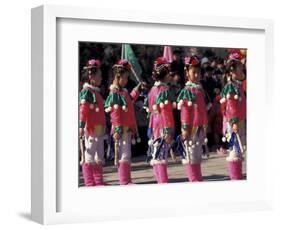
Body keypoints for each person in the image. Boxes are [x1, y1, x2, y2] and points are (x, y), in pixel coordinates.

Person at [104, 59, 142, 185]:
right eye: (125, 78)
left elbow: (130, 99)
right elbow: (115, 113)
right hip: (120, 130)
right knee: (123, 155)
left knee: (126, 154)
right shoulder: (114, 93)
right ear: (117, 76)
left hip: (127, 128)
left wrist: (137, 89)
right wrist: (118, 129)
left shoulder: (123, 91)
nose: (126, 81)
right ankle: (124, 181)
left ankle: (127, 180)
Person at [174, 56, 208, 182]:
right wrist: (185, 128)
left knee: (198, 154)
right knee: (191, 154)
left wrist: (205, 124)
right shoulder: (187, 91)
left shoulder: (199, 89)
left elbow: (203, 110)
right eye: (194, 72)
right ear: (187, 73)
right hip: (191, 128)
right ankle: (193, 179)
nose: (197, 74)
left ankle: (198, 178)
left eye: (198, 72)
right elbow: (185, 112)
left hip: (199, 126)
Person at [144, 57, 175, 184]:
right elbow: (166, 112)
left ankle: (160, 181)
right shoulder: (164, 91)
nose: (170, 76)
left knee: (157, 153)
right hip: (163, 125)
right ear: (165, 75)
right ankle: (163, 181)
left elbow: (149, 110)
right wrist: (168, 129)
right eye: (169, 73)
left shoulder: (152, 90)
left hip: (154, 125)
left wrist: (150, 128)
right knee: (161, 155)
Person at [79, 59, 107, 186]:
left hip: (99, 128)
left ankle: (98, 181)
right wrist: (80, 125)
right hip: (90, 128)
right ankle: (89, 182)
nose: (101, 78)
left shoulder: (96, 93)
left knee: (99, 154)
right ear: (91, 76)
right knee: (89, 154)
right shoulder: (87, 93)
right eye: (99, 76)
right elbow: (83, 111)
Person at [220, 49, 246, 180]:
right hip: (233, 122)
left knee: (239, 150)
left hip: (239, 121)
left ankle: (237, 176)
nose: (243, 70)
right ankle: (235, 177)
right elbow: (230, 107)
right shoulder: (230, 87)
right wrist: (234, 121)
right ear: (232, 71)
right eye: (240, 68)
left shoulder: (238, 85)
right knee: (235, 150)